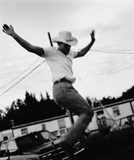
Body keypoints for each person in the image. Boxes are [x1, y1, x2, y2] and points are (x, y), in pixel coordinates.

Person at [2, 24, 95, 160]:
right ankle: (68, 140)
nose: (68, 48)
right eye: (65, 45)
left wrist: (92, 41)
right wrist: (14, 34)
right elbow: (31, 48)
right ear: (58, 44)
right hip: (62, 88)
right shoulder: (50, 51)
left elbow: (82, 53)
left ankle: (71, 149)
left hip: (67, 90)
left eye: (69, 45)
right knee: (88, 111)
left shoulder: (70, 53)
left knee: (83, 114)